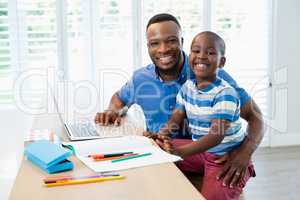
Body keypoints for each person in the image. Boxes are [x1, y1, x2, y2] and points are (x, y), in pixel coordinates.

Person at [94, 13, 264, 188]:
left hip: (211, 161)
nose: (163, 49)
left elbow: (256, 116)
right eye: (155, 43)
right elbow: (119, 98)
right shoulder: (140, 79)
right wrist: (111, 110)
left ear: (182, 42)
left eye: (171, 41)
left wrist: (244, 153)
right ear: (148, 46)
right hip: (163, 161)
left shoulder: (212, 74)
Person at [154, 31, 255, 199]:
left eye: (210, 52)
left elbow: (216, 136)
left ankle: (246, 170)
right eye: (196, 50)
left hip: (225, 158)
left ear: (222, 62)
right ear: (189, 55)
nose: (201, 56)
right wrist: (161, 135)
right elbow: (175, 118)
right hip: (202, 152)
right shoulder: (187, 87)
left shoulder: (225, 93)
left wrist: (180, 152)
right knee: (157, 149)